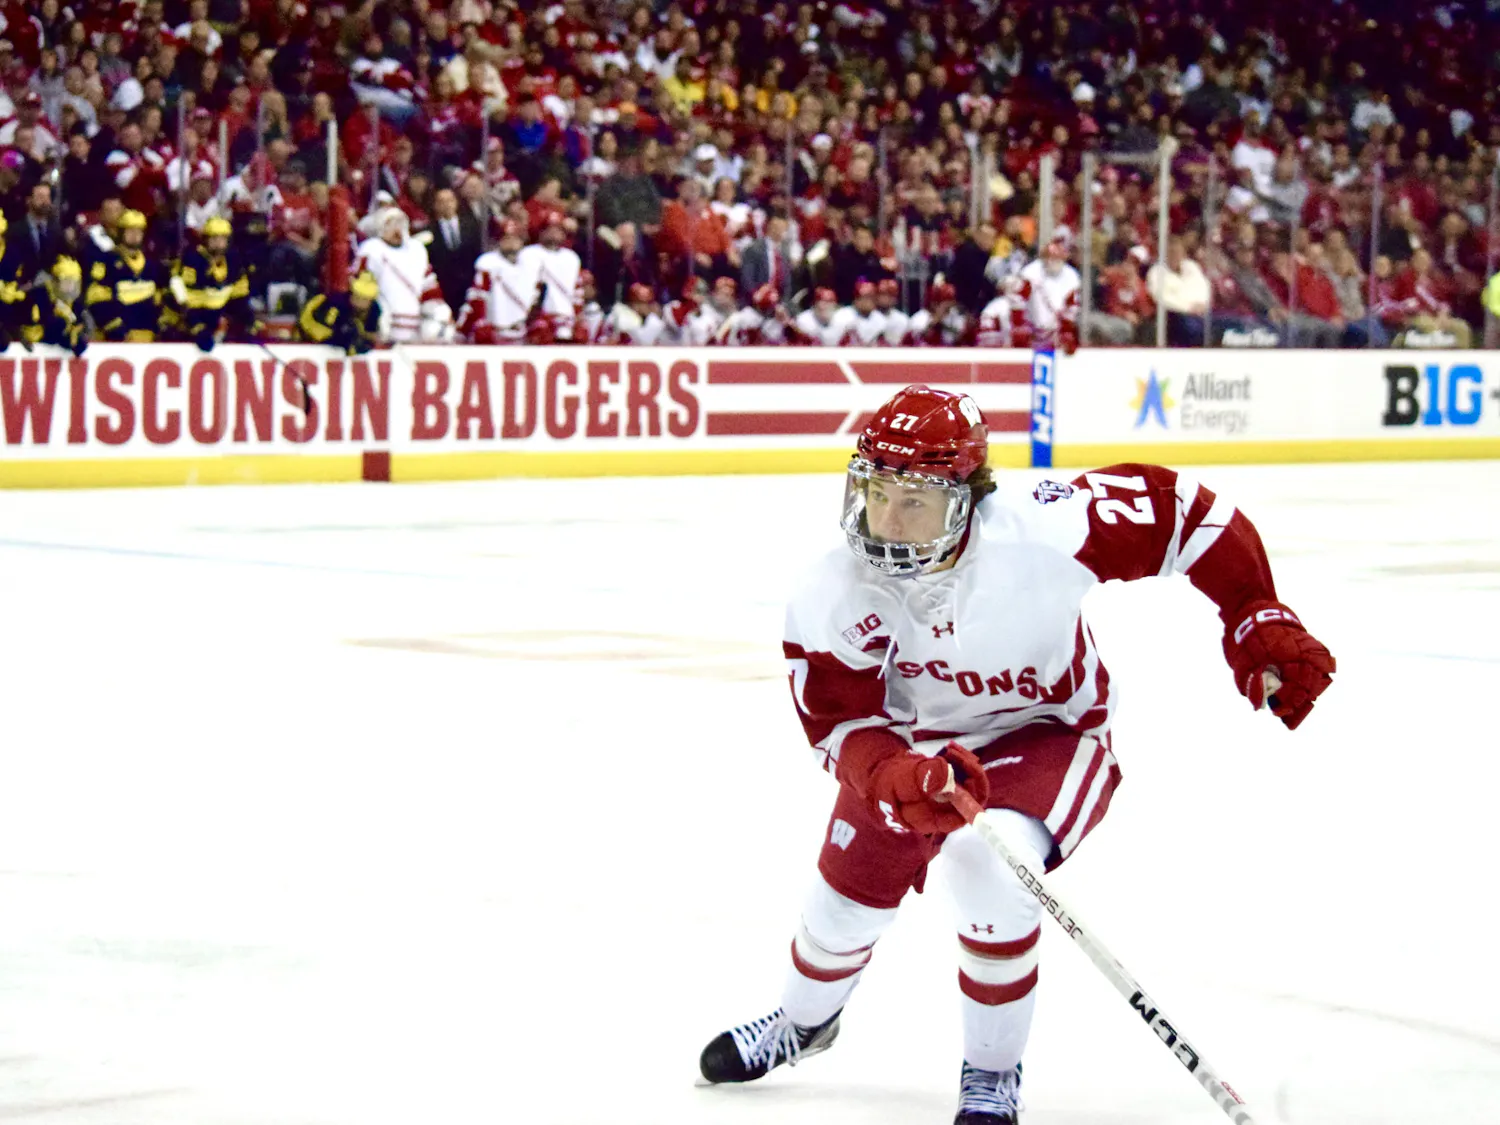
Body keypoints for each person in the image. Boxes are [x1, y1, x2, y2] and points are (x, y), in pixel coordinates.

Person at [698, 386, 1337, 1125]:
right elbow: (840, 724)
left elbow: (1187, 512)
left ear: (969, 498)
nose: (888, 519)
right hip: (914, 752)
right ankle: (801, 1023)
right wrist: (891, 774)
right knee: (839, 909)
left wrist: (1254, 607)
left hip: (1051, 734)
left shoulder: (1050, 524)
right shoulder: (832, 588)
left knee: (986, 867)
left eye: (917, 498)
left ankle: (992, 1073)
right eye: (876, 490)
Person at [171, 217, 257, 351]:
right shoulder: (193, 261)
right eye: (214, 239)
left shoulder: (234, 260)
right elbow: (184, 302)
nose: (218, 243)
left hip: (217, 320)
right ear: (206, 240)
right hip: (188, 323)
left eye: (222, 239)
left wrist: (248, 322)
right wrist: (197, 328)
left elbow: (239, 297)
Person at [85, 208, 166, 342]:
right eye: (130, 230)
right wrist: (113, 326)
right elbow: (95, 297)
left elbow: (160, 299)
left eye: (138, 231)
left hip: (148, 339)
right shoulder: (106, 261)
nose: (135, 235)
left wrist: (161, 325)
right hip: (115, 339)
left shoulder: (152, 265)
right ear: (121, 232)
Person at [299, 271, 382, 354]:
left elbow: (371, 334)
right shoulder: (337, 304)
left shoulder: (374, 309)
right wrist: (348, 342)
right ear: (352, 293)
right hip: (312, 323)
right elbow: (327, 331)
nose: (360, 303)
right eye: (357, 297)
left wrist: (365, 338)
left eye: (365, 299)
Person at [19, 255, 88, 355]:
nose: (69, 287)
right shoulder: (42, 293)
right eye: (66, 282)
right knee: (60, 323)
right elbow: (41, 319)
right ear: (56, 281)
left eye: (72, 283)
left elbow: (79, 322)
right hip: (37, 336)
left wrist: (75, 335)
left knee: (79, 343)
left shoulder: (75, 301)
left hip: (57, 339)